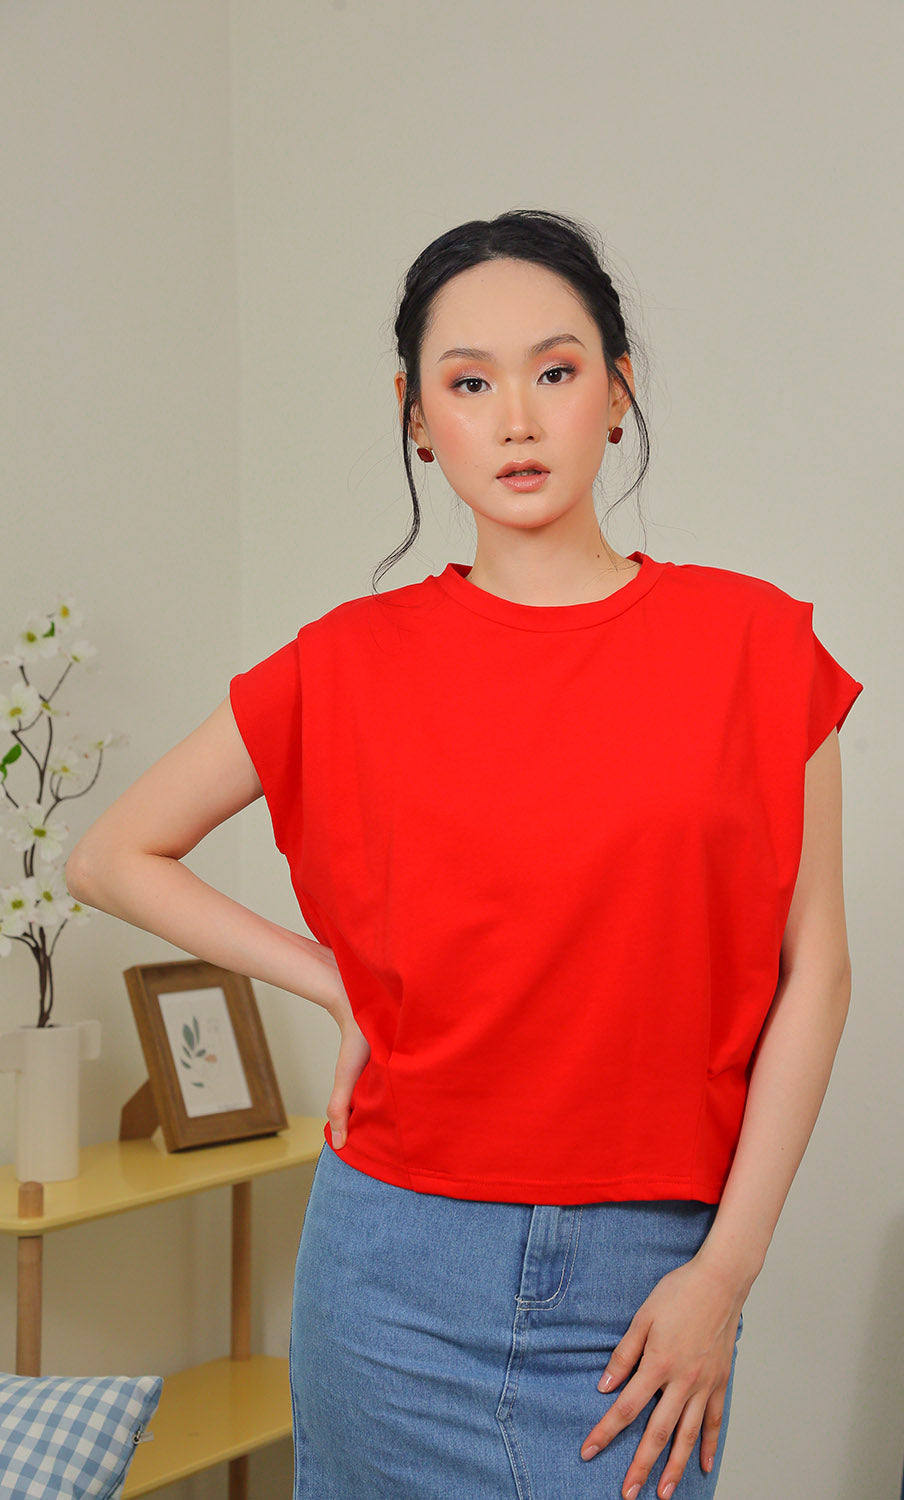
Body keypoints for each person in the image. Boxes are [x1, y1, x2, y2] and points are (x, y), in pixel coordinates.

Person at [65, 208, 863, 1500]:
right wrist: (333, 983)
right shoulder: (346, 661)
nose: (518, 419)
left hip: (649, 1282)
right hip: (390, 1272)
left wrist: (725, 1272)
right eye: (470, 384)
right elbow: (111, 857)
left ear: (618, 393)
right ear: (418, 419)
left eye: (556, 371)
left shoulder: (759, 649)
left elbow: (815, 973)